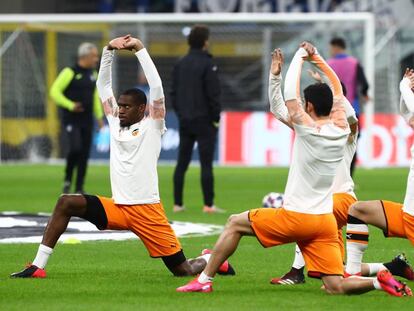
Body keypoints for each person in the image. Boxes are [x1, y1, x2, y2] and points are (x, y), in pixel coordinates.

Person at [176, 42, 411, 297]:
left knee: (234, 224)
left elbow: (286, 101)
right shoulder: (343, 127)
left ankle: (204, 279)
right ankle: (379, 280)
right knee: (336, 285)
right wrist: (317, 59)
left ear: (308, 106)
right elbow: (331, 96)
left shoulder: (306, 129)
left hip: (302, 214)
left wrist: (296, 59)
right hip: (323, 222)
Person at [10, 35, 234, 279]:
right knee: (67, 202)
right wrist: (108, 51)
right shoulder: (115, 122)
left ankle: (210, 258)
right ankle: (37, 266)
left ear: (142, 109)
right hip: (118, 206)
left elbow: (157, 87)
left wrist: (139, 49)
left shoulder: (154, 125)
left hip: (147, 211)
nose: (121, 110)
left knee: (182, 270)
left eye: (127, 106)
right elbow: (103, 86)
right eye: (120, 105)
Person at [269, 67, 414, 285]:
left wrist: (331, 84)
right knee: (334, 270)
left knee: (307, 211)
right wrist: (275, 77)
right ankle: (390, 267)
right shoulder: (309, 131)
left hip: (338, 200)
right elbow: (279, 109)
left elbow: (348, 112)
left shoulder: (346, 132)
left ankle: (296, 271)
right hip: (335, 206)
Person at [343, 69, 414, 277]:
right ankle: (353, 274)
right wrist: (405, 91)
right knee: (357, 210)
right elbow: (407, 114)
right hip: (407, 216)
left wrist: (404, 87)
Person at [171, 25, 222, 213]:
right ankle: (208, 205)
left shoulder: (180, 63)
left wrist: (181, 114)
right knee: (206, 163)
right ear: (205, 41)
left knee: (181, 162)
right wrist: (216, 117)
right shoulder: (208, 64)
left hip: (185, 120)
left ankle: (177, 204)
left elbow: (173, 93)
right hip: (205, 120)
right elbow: (213, 94)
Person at [50, 42, 104, 194]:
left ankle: (79, 187)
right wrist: (70, 105)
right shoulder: (69, 72)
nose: (96, 59)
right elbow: (54, 91)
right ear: (85, 56)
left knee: (85, 153)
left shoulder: (93, 74)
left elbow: (95, 97)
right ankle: (68, 178)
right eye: (94, 56)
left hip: (87, 120)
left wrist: (99, 117)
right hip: (71, 119)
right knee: (75, 148)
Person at [328, 37, 369, 176]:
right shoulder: (354, 63)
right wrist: (364, 94)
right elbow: (364, 84)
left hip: (332, 111)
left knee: (331, 143)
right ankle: (349, 178)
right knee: (352, 144)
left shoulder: (328, 64)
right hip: (352, 109)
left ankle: (331, 177)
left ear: (335, 47)